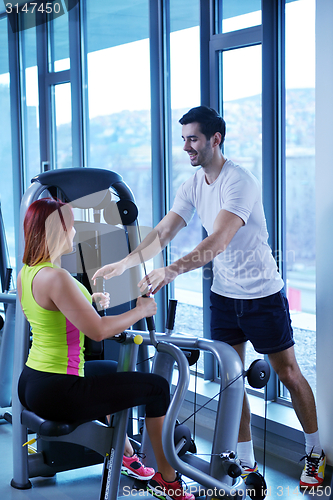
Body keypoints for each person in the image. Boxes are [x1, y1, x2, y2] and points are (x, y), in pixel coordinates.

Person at [93, 106, 326, 489]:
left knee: (288, 373)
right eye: (183, 138)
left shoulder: (239, 182)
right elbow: (165, 231)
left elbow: (218, 240)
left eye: (193, 139)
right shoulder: (193, 183)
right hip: (224, 297)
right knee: (234, 380)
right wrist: (126, 263)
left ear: (215, 139)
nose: (186, 146)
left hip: (261, 294)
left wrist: (170, 271)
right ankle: (246, 463)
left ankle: (315, 455)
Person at [17, 198, 194, 500]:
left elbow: (56, 310)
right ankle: (168, 481)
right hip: (59, 389)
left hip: (34, 380)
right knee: (156, 388)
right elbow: (97, 331)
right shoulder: (57, 277)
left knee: (116, 372)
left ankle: (126, 457)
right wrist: (141, 310)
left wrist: (92, 301)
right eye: (71, 227)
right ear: (58, 231)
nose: (74, 233)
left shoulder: (29, 272)